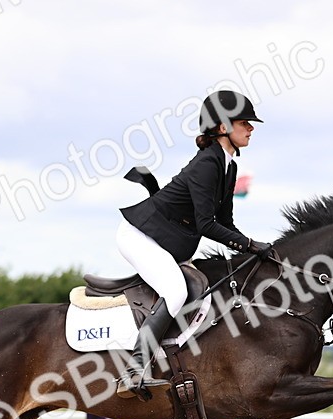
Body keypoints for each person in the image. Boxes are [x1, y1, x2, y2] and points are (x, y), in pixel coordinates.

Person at [116, 90, 276, 399]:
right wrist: (250, 244)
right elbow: (206, 225)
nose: (251, 128)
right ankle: (134, 370)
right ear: (221, 127)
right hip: (139, 235)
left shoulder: (228, 165)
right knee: (176, 291)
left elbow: (225, 224)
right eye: (244, 122)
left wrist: (253, 250)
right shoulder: (208, 164)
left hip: (162, 239)